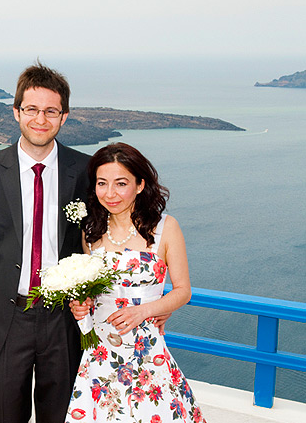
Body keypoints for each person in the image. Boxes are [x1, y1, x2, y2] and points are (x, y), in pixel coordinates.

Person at [0, 62, 90, 423]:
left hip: (63, 322)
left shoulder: (87, 171)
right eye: (31, 109)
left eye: (50, 111)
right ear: (16, 113)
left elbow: (104, 245)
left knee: (60, 418)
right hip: (6, 320)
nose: (40, 119)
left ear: (64, 117)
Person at [66, 142, 206, 422]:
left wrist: (143, 311)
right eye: (102, 183)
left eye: (121, 183)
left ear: (140, 185)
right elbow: (93, 291)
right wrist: (81, 304)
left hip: (147, 351)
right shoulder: (90, 232)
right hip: (100, 353)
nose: (110, 193)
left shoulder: (166, 228)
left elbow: (183, 291)